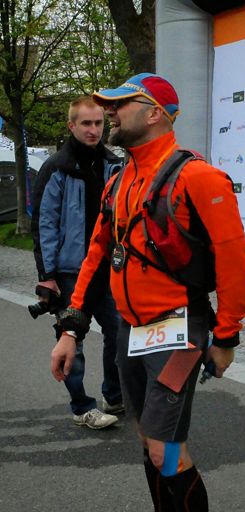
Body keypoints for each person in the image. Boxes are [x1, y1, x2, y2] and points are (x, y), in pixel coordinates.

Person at [49, 73, 245, 511]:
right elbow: (96, 254)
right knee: (148, 440)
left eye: (121, 104)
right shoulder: (120, 179)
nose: (110, 113)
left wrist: (227, 336)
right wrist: (71, 327)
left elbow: (234, 259)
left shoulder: (199, 177)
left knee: (165, 448)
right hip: (132, 331)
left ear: (154, 113)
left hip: (180, 330)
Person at [31, 96, 124, 429]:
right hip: (70, 271)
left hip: (107, 267)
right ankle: (82, 406)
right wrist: (47, 276)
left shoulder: (115, 165)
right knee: (73, 338)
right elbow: (44, 223)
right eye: (86, 123)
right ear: (71, 125)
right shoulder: (56, 167)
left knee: (119, 332)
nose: (93, 129)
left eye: (98, 123)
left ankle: (114, 394)